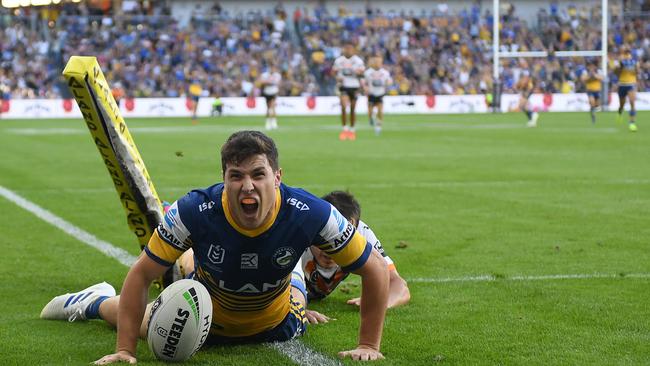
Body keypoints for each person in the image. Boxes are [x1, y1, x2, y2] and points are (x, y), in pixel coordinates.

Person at [41, 131, 390, 363]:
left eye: (258, 174)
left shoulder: (310, 212)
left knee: (294, 292)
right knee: (142, 321)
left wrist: (368, 346)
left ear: (278, 177)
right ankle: (91, 301)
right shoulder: (195, 209)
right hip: (204, 318)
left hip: (278, 321)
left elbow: (374, 268)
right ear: (223, 179)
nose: (247, 185)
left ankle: (282, 274)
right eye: (236, 176)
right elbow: (141, 274)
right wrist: (124, 349)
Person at [302, 191, 410, 325]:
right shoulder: (302, 231)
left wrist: (380, 303)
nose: (331, 248)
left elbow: (399, 285)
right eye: (327, 236)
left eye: (340, 240)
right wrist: (297, 309)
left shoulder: (362, 234)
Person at [333, 41, 365, 141]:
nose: (348, 50)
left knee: (352, 108)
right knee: (343, 106)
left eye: (350, 48)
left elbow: (362, 73)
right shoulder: (339, 61)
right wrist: (336, 77)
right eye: (346, 48)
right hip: (344, 86)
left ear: (353, 50)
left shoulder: (358, 61)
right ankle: (344, 129)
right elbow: (333, 72)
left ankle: (352, 130)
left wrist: (359, 73)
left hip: (354, 86)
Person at [363, 57, 392, 135]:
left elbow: (389, 81)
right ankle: (371, 118)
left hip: (380, 94)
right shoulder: (368, 72)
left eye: (379, 62)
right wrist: (365, 88)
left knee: (380, 111)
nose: (377, 63)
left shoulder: (385, 73)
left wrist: (388, 83)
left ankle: (378, 127)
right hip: (371, 94)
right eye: (376, 62)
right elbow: (364, 82)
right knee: (370, 112)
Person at [614, 45, 639, 132]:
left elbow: (637, 72)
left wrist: (635, 69)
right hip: (622, 84)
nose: (627, 49)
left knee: (632, 102)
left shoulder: (633, 59)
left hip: (631, 83)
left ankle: (632, 123)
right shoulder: (619, 60)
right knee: (622, 104)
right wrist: (620, 67)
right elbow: (616, 72)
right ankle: (620, 112)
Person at [258, 64, 282, 130]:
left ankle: (274, 123)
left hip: (274, 92)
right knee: (268, 108)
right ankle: (268, 123)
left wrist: (268, 82)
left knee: (273, 106)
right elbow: (261, 82)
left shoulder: (277, 75)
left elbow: (277, 83)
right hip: (267, 92)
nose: (272, 69)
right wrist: (269, 82)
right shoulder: (265, 74)